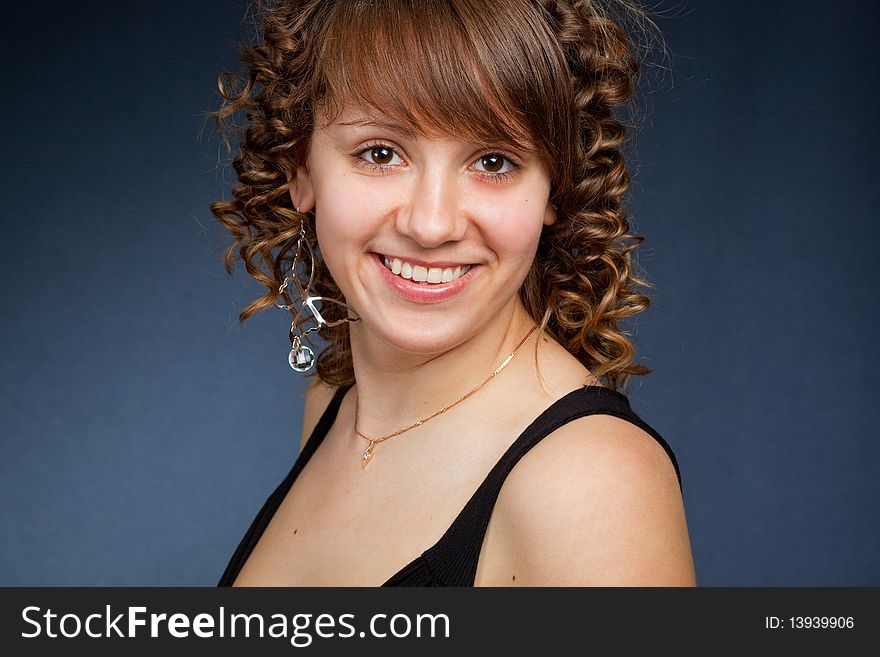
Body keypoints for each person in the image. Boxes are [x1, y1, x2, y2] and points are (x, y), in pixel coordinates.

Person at [210, 0, 696, 586]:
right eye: (381, 153)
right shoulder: (336, 404)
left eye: (493, 161)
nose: (432, 224)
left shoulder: (592, 481)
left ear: (554, 191)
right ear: (300, 169)